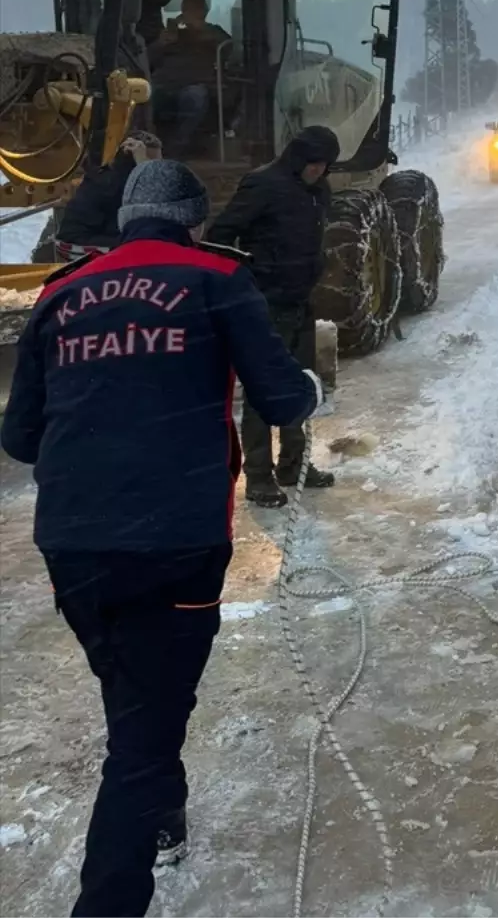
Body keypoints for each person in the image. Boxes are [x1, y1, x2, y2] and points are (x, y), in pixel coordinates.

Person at [0, 159, 320, 918]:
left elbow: (18, 437)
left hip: (73, 547)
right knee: (141, 738)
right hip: (174, 544)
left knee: (138, 694)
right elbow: (279, 399)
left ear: (126, 220)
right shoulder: (214, 279)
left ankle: (165, 815)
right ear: (195, 222)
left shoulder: (60, 293)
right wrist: (311, 386)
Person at [207, 126, 341, 507]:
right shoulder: (262, 185)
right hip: (265, 304)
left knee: (300, 385)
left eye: (325, 166)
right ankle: (260, 475)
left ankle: (294, 466)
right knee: (262, 392)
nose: (320, 172)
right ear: (299, 159)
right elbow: (221, 236)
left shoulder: (318, 191)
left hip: (300, 301)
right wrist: (245, 282)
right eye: (315, 165)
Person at [55, 131, 162, 258]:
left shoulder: (139, 186)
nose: (158, 170)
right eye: (152, 165)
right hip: (84, 254)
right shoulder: (103, 186)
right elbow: (68, 242)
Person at [150, 0, 231, 154]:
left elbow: (228, 48)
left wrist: (198, 29)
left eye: (193, 9)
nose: (187, 13)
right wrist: (161, 43)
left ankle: (177, 145)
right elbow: (146, 59)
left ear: (204, 12)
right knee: (144, 96)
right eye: (185, 9)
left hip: (194, 84)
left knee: (195, 98)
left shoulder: (214, 32)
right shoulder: (171, 33)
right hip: (163, 83)